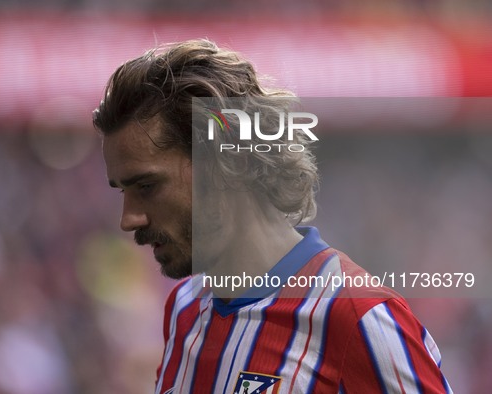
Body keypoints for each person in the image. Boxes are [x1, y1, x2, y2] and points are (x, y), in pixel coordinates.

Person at [93, 39, 453, 393]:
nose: (129, 219)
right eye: (122, 191)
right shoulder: (183, 309)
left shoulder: (359, 316)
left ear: (226, 164)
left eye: (147, 186)